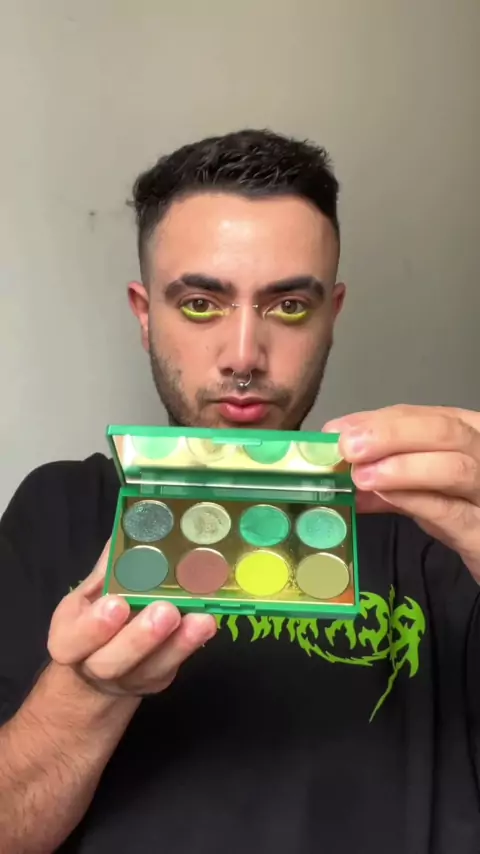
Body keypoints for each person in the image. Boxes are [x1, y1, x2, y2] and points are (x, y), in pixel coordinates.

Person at [0, 128, 479, 854]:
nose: (244, 356)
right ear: (144, 314)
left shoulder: (437, 526)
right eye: (200, 303)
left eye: (289, 306)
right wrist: (90, 692)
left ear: (332, 315)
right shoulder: (57, 509)